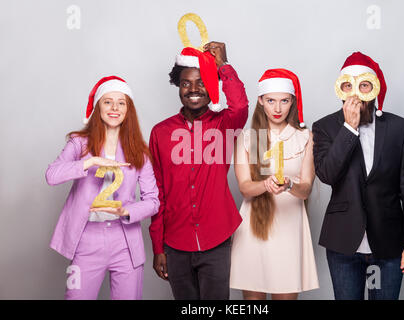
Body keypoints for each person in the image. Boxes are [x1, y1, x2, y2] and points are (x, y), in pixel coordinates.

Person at [312, 52, 404, 300]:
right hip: (343, 243)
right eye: (348, 86)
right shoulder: (325, 127)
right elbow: (327, 174)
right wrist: (349, 128)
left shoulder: (399, 128)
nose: (356, 93)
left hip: (388, 243)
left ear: (374, 88)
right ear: (340, 89)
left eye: (363, 85)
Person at [149, 42, 249, 299]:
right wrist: (158, 246)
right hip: (175, 243)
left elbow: (239, 106)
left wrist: (222, 66)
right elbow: (156, 191)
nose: (193, 89)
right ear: (178, 87)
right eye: (186, 84)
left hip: (216, 239)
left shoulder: (225, 123)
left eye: (202, 81)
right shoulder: (161, 132)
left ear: (212, 86)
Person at [46, 76, 159, 299]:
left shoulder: (140, 152)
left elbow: (153, 201)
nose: (114, 108)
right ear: (98, 107)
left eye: (121, 102)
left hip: (126, 242)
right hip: (86, 240)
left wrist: (127, 211)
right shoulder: (79, 143)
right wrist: (90, 162)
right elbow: (52, 175)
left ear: (129, 109)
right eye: (108, 102)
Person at [230, 68, 319, 300]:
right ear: (260, 101)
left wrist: (289, 185)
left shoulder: (305, 137)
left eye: (284, 101)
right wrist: (266, 185)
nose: (277, 109)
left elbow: (307, 187)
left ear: (292, 102)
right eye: (271, 101)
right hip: (254, 230)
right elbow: (245, 187)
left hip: (290, 230)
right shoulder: (249, 138)